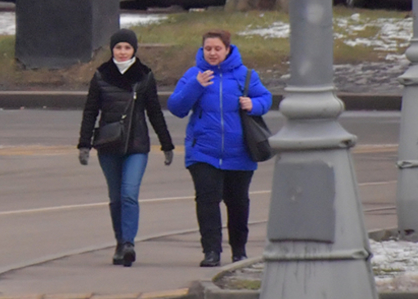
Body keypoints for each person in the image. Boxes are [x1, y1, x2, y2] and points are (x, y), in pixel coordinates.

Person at [167, 29, 272, 268]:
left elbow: (266, 99)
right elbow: (176, 107)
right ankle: (211, 252)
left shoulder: (245, 75)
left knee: (238, 203)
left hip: (241, 152)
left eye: (217, 49)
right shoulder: (195, 74)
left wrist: (253, 104)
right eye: (208, 49)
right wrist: (196, 86)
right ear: (202, 50)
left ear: (227, 49)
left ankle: (239, 252)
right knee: (207, 201)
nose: (212, 53)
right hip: (203, 152)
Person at [78, 28, 175, 268]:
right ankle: (120, 243)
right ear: (112, 50)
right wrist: (84, 144)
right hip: (108, 145)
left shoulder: (144, 76)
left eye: (127, 48)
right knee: (115, 197)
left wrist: (166, 143)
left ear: (134, 50)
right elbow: (91, 111)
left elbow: (154, 111)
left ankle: (129, 243)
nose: (122, 52)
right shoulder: (101, 75)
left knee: (129, 193)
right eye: (118, 48)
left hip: (136, 144)